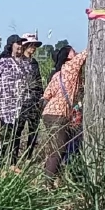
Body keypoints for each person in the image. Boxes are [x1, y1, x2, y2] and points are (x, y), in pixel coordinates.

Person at [41, 43, 87, 178]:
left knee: (55, 148)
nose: (76, 53)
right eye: (73, 51)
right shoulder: (71, 66)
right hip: (59, 115)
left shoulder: (58, 73)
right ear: (68, 57)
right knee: (58, 150)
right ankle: (47, 183)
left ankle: (52, 178)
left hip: (49, 114)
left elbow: (47, 94)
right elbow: (85, 53)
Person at [0, 35, 31, 165]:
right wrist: (2, 93)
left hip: (20, 107)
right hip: (5, 108)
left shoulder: (26, 64)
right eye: (17, 43)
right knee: (5, 136)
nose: (20, 46)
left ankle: (12, 163)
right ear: (11, 45)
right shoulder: (2, 63)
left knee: (16, 136)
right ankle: (1, 163)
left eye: (22, 44)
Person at [18, 33, 45, 163]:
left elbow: (38, 81)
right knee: (18, 129)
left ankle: (28, 156)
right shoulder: (18, 61)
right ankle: (14, 157)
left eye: (35, 45)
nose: (33, 48)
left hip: (35, 100)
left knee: (33, 131)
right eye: (31, 45)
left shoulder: (34, 63)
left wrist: (41, 98)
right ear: (25, 46)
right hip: (22, 101)